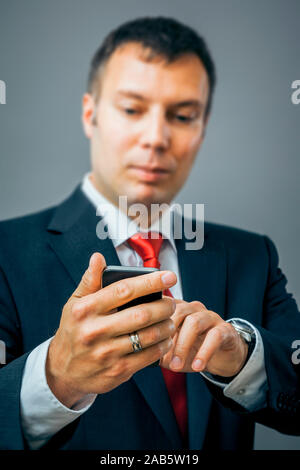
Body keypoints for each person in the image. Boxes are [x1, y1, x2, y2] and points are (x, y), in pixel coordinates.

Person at [0, 16, 300, 451]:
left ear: (202, 128)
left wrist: (243, 359)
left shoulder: (253, 256)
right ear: (90, 114)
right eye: (132, 109)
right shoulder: (6, 253)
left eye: (182, 115)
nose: (156, 137)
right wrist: (56, 379)